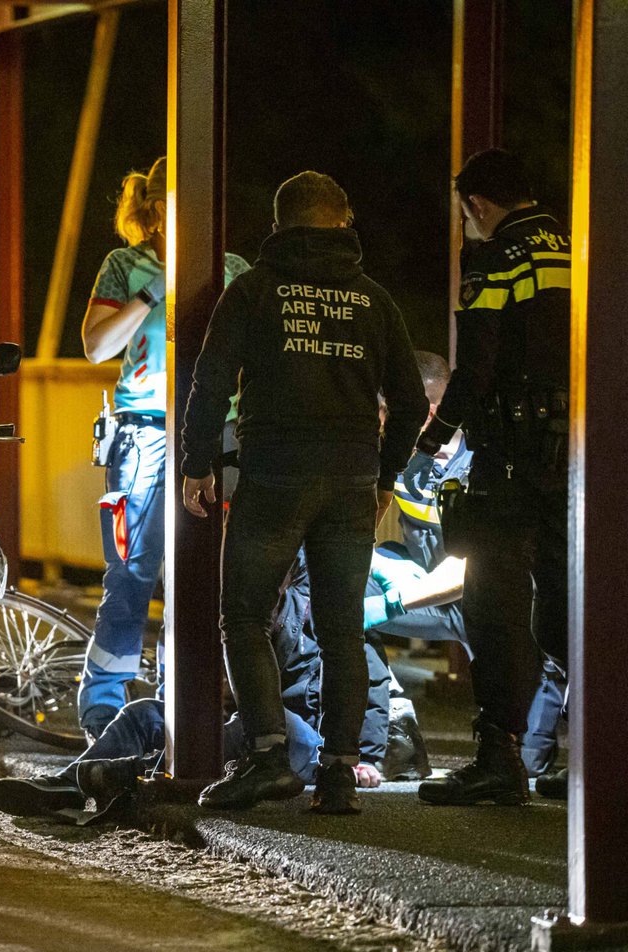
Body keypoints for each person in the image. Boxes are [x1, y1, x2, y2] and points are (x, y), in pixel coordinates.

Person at [181, 170, 427, 815]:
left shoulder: (254, 291)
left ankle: (267, 755)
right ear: (344, 222)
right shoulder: (375, 300)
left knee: (244, 615)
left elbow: (209, 380)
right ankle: (341, 773)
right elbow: (408, 402)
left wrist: (197, 462)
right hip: (350, 481)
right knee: (343, 627)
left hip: (275, 476)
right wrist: (384, 476)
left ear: (278, 226)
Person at [414, 149, 570, 807]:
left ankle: (497, 755)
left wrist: (428, 443)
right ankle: (584, 753)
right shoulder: (573, 248)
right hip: (572, 457)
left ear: (477, 205)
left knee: (491, 604)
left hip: (508, 460)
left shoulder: (493, 259)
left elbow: (474, 371)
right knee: (565, 600)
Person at [78, 156, 250, 742]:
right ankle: (102, 707)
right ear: (152, 210)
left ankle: (184, 698)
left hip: (219, 434)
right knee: (133, 572)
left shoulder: (232, 268)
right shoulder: (125, 265)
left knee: (212, 574)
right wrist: (150, 296)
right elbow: (97, 345)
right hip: (144, 434)